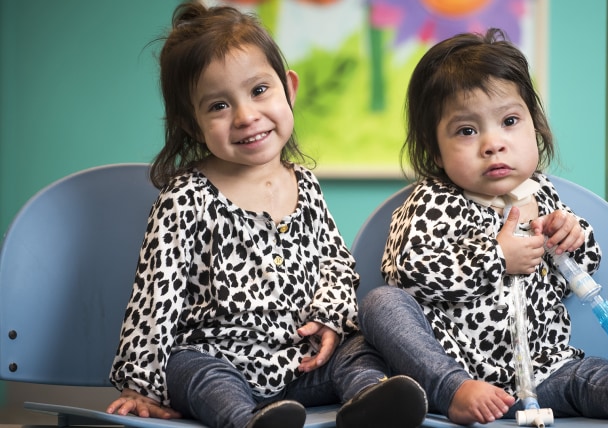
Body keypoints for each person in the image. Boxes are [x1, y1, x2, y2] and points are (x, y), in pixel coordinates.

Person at [359, 28, 608, 425]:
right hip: (454, 363)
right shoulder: (432, 201)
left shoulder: (539, 193)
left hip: (544, 368)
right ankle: (452, 390)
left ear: (535, 126)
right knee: (380, 304)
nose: (493, 144)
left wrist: (572, 235)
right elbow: (408, 274)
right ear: (435, 148)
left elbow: (576, 275)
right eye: (467, 130)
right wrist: (496, 257)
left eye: (509, 121)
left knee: (588, 375)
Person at [105, 3, 427, 428]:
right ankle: (248, 420)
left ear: (288, 88)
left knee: (358, 348)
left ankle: (369, 399)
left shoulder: (305, 185)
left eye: (259, 91)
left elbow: (334, 263)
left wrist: (329, 318)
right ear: (190, 121)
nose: (246, 116)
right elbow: (155, 298)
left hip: (299, 364)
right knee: (191, 369)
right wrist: (139, 383)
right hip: (219, 359)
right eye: (218, 105)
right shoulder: (185, 198)